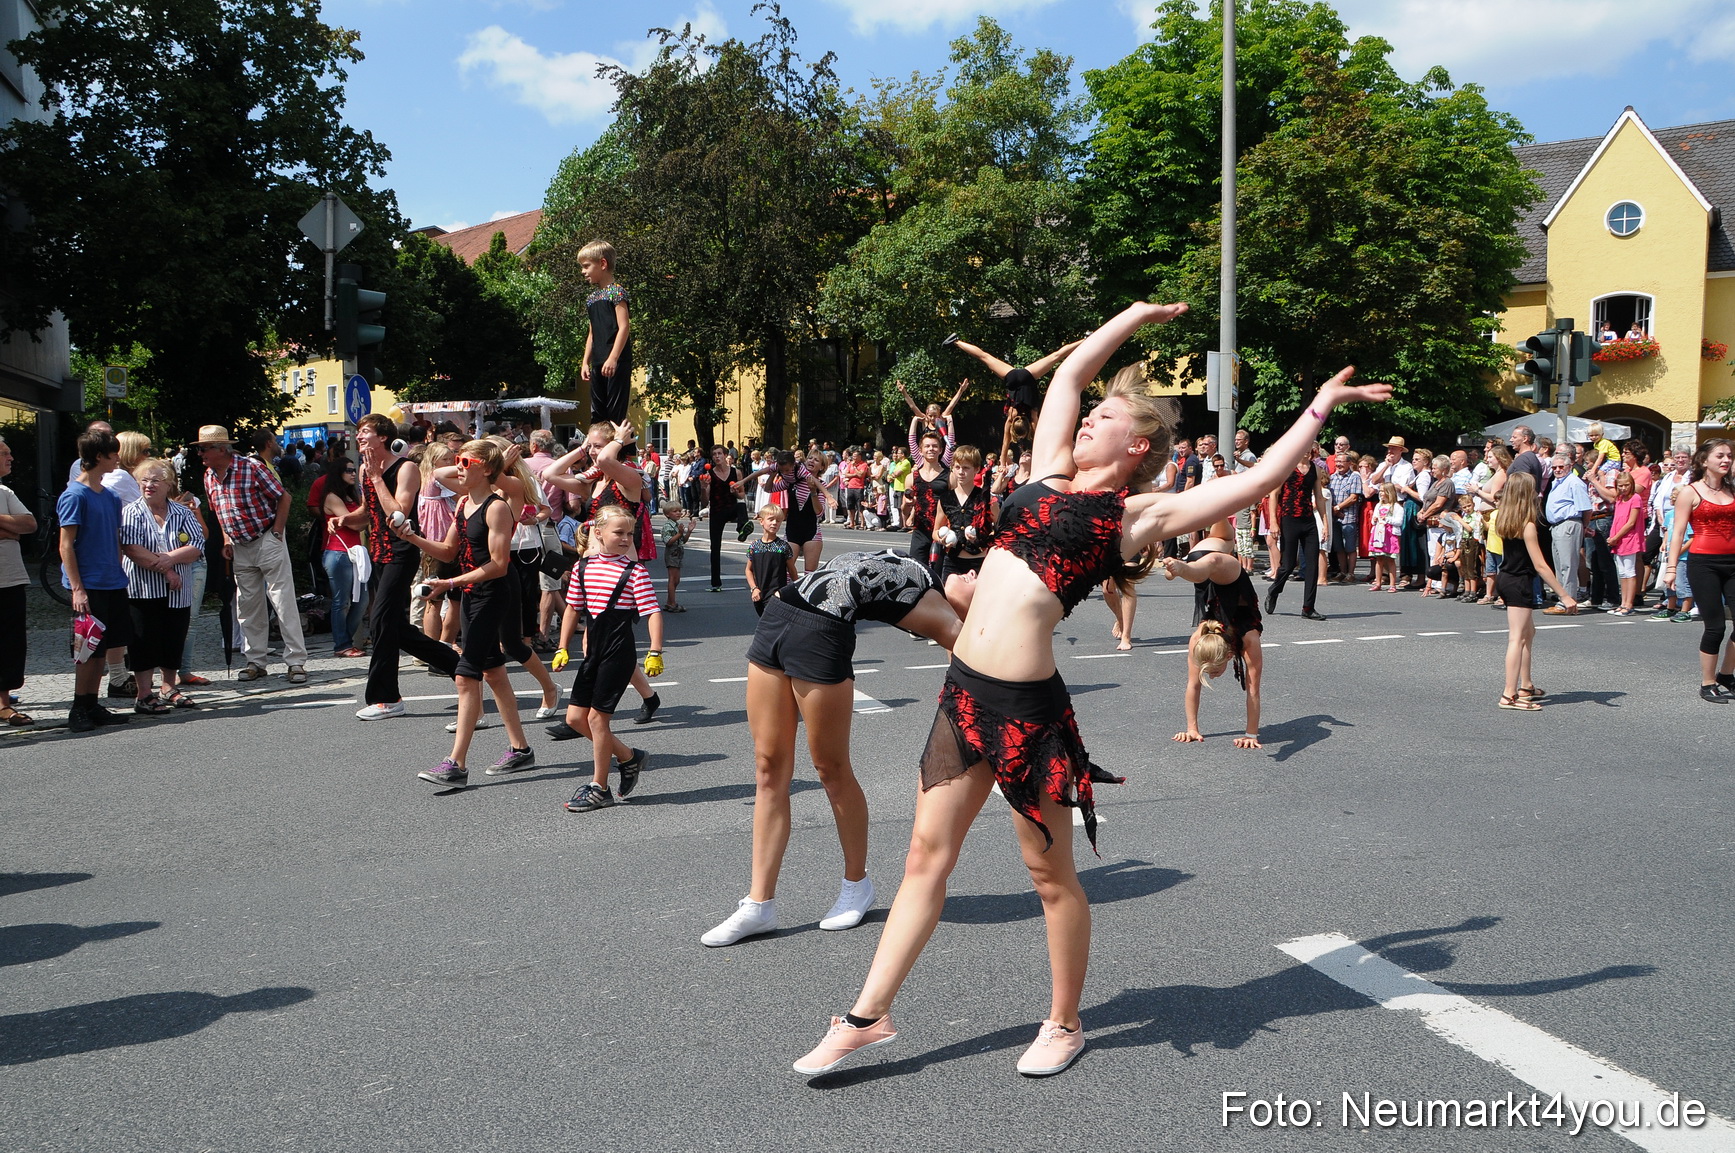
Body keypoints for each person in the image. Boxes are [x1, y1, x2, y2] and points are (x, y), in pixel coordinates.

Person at [792, 300, 1390, 1078]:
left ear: (1136, 443)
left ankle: (1064, 1021)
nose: (1081, 420)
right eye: (1087, 413)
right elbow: (1069, 371)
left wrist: (1322, 405)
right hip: (961, 692)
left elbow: (1261, 477)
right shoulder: (1045, 474)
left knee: (1048, 875)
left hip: (1028, 716)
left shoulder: (1134, 516)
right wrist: (1133, 316)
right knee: (921, 859)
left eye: (1101, 417)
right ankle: (865, 1016)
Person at [704, 549, 973, 949]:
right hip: (777, 616)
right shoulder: (923, 571)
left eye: (977, 580)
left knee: (830, 769)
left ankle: (856, 885)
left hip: (821, 636)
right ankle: (759, 903)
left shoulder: (937, 608)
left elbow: (980, 657)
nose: (970, 573)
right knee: (767, 768)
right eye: (972, 571)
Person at [392, 439, 536, 786]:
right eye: (457, 460)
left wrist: (451, 583)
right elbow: (446, 551)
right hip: (472, 592)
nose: (458, 466)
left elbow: (499, 566)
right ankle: (521, 749)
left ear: (486, 469)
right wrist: (411, 537)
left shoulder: (497, 507)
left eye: (465, 461)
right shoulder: (461, 504)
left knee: (465, 674)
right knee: (493, 672)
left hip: (494, 592)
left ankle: (456, 763)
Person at [553, 505, 663, 811]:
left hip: (619, 651)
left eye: (630, 533)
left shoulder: (634, 572)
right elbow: (574, 608)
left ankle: (599, 787)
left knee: (596, 719)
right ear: (598, 533)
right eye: (619, 533)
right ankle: (629, 757)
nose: (627, 539)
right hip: (593, 651)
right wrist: (563, 647)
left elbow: (652, 612)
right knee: (575, 719)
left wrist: (655, 651)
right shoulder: (583, 568)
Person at [352, 415, 459, 718]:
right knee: (394, 626)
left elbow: (397, 512)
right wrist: (345, 519)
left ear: (382, 437)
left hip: (402, 549)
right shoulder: (364, 469)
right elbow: (369, 512)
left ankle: (386, 698)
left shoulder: (405, 467)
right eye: (358, 433)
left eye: (365, 433)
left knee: (381, 621)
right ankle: (456, 665)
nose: (359, 437)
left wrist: (374, 478)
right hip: (378, 552)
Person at [197, 425, 308, 683]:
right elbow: (219, 512)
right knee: (248, 606)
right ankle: (255, 661)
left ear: (222, 449)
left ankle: (296, 662)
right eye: (199, 448)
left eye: (204, 448)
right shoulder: (209, 476)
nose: (200, 453)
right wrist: (226, 538)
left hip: (266, 538)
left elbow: (284, 497)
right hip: (239, 545)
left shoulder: (251, 467)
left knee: (282, 602)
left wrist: (277, 533)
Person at [58, 427, 135, 732]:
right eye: (114, 453)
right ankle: (78, 707)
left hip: (112, 581)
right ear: (99, 456)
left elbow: (115, 540)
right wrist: (77, 588)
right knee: (86, 648)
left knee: (103, 647)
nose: (118, 458)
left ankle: (92, 703)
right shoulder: (75, 495)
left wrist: (117, 571)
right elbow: (66, 545)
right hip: (88, 583)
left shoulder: (112, 497)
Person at [1160, 526, 1264, 748]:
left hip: (1206, 566)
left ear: (1227, 654)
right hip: (1218, 569)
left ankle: (1179, 568)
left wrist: (1252, 735)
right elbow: (1193, 684)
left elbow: (1254, 691)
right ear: (1228, 655)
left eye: (1213, 671)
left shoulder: (1209, 638)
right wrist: (1191, 729)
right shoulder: (1213, 640)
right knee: (1225, 535)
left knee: (1212, 562)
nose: (1213, 676)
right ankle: (1179, 568)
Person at [119, 458, 206, 712]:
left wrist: (171, 558)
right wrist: (168, 569)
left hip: (178, 591)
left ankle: (168, 687)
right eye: (144, 480)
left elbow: (196, 545)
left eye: (155, 481)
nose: (149, 485)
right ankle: (144, 695)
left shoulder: (182, 512)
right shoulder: (131, 512)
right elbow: (132, 549)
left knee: (173, 637)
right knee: (143, 639)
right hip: (142, 588)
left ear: (169, 484)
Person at [1492, 472, 1577, 711]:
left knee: (1528, 634)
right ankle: (1509, 694)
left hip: (1507, 578)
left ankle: (1526, 686)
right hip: (1519, 582)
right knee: (1517, 638)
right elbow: (1540, 565)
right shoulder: (1527, 525)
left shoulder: (1504, 519)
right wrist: (1564, 595)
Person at [1662, 439, 1735, 701]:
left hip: (1733, 563)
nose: (1726, 460)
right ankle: (1707, 683)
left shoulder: (1733, 490)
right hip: (1703, 564)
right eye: (1720, 456)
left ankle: (1726, 675)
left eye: (1729, 456)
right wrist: (1671, 569)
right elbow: (1678, 532)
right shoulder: (1690, 492)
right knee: (1715, 627)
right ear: (1704, 461)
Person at [943, 334, 1084, 427]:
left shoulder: (1030, 415)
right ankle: (956, 341)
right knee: (984, 357)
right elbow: (1005, 444)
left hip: (1027, 376)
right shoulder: (1011, 417)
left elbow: (1037, 428)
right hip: (1011, 378)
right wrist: (1003, 461)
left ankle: (1084, 340)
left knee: (1056, 356)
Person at [1264, 456, 1330, 620]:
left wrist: (1325, 523)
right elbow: (1274, 494)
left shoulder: (1315, 468)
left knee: (1312, 565)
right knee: (1288, 565)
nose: (1306, 453)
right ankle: (1274, 590)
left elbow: (1319, 497)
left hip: (1308, 521)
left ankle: (1308, 607)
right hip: (1289, 519)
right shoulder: (1287, 466)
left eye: (1309, 450)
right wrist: (1273, 521)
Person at [0, 434, 37, 726]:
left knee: (11, 643)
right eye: (5, 453)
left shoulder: (5, 491)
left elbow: (28, 524)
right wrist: (8, 530)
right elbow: (16, 529)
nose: (11, 458)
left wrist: (11, 530)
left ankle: (3, 703)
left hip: (10, 580)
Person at [319, 457, 369, 657]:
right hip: (338, 552)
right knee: (342, 602)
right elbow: (357, 524)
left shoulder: (351, 497)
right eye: (348, 470)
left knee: (362, 600)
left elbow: (362, 520)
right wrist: (364, 512)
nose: (352, 474)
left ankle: (345, 641)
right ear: (338, 473)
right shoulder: (332, 497)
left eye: (354, 470)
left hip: (355, 552)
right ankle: (342, 644)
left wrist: (362, 515)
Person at [579, 240, 632, 425]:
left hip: (616, 360)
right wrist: (585, 361)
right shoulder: (592, 299)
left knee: (615, 413)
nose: (583, 271)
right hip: (598, 361)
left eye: (586, 266)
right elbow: (592, 333)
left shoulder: (617, 292)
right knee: (598, 413)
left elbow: (624, 326)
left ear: (602, 264)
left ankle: (622, 452)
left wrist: (613, 358)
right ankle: (597, 450)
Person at [931, 444, 997, 582]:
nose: (961, 472)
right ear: (952, 469)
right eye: (957, 467)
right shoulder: (945, 499)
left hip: (979, 561)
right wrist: (941, 539)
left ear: (977, 469)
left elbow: (1001, 530)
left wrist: (983, 537)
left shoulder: (986, 498)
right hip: (952, 562)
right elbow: (936, 531)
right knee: (950, 600)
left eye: (966, 468)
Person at [1587, 468, 1645, 614]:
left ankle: (1629, 604)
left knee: (1630, 571)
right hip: (1618, 540)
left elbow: (1631, 522)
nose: (1623, 488)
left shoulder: (1635, 498)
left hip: (1629, 538)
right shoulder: (1619, 499)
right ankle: (1623, 602)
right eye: (1620, 485)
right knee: (1623, 573)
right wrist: (1613, 538)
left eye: (1626, 485)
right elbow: (1617, 519)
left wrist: (1616, 537)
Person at [1542, 450, 1592, 614]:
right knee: (1559, 565)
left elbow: (1585, 508)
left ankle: (1568, 602)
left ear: (1569, 466)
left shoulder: (1574, 482)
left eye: (1561, 466)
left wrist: (1583, 527)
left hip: (1569, 524)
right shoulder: (1558, 482)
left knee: (1568, 565)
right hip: (1556, 526)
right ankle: (1563, 599)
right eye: (1554, 467)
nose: (1557, 470)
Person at [901, 429, 950, 586]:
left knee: (939, 575)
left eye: (935, 446)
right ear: (920, 451)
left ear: (941, 450)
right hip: (920, 530)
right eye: (927, 446)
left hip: (942, 530)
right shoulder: (911, 477)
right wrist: (907, 506)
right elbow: (904, 509)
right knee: (915, 572)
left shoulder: (949, 476)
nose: (931, 449)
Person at [746, 505, 797, 614]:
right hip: (759, 594)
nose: (774, 523)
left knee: (770, 624)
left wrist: (797, 588)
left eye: (778, 521)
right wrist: (754, 588)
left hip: (777, 594)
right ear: (761, 521)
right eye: (771, 519)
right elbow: (748, 570)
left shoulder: (783, 546)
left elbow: (792, 570)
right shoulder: (754, 547)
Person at [894, 377, 969, 445]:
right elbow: (913, 406)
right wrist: (904, 392)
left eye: (935, 416)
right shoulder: (925, 421)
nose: (932, 418)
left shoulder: (941, 420)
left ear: (939, 415)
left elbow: (951, 405)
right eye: (930, 416)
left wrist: (961, 391)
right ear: (927, 414)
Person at [1327, 451, 1364, 584]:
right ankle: (1342, 572)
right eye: (1337, 462)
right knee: (1338, 548)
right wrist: (1334, 510)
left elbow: (1354, 497)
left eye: (1341, 462)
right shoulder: (1332, 477)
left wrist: (1338, 508)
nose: (1338, 464)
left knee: (1350, 547)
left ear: (1349, 463)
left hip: (1348, 518)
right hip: (1335, 517)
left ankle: (1351, 573)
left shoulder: (1354, 476)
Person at [1366, 482, 1402, 591]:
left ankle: (1392, 584)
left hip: (1390, 534)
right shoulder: (1379, 505)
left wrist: (1387, 519)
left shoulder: (1396, 507)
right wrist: (1375, 519)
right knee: (1379, 559)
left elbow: (1399, 521)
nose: (1381, 493)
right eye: (1380, 491)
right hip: (1379, 534)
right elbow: (1373, 520)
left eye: (1383, 491)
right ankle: (1378, 582)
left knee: (1390, 559)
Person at [659, 504, 693, 611]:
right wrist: (679, 534)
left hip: (678, 553)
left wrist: (689, 531)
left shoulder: (676, 524)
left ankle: (670, 601)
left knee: (676, 580)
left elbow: (683, 541)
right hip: (672, 553)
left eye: (679, 511)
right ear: (667, 514)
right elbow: (668, 542)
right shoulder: (668, 526)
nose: (678, 513)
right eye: (675, 511)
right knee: (673, 579)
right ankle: (672, 603)